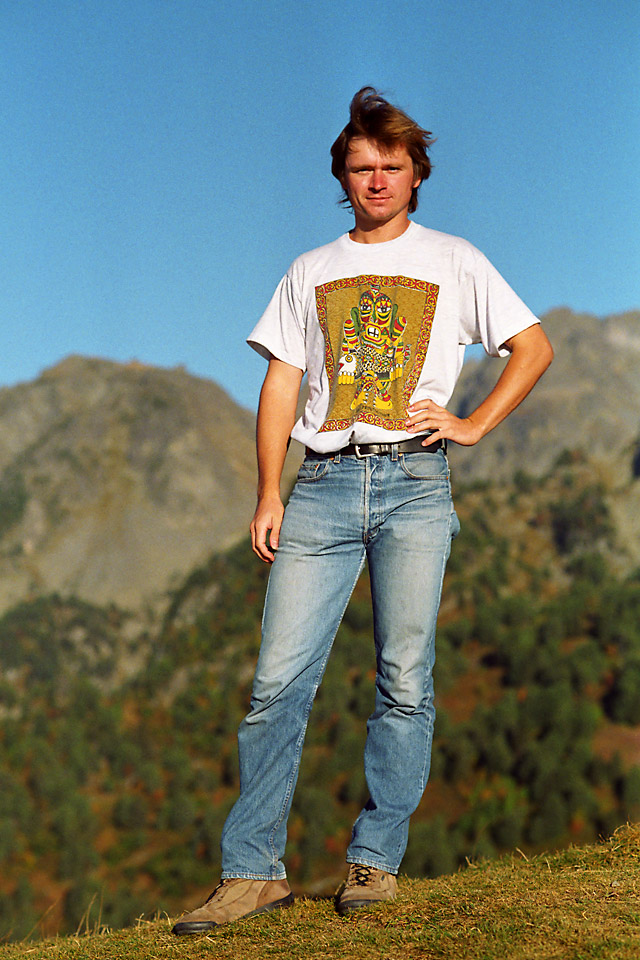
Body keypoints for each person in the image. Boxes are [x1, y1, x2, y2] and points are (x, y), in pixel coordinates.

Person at [172, 87, 553, 935]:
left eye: (391, 166)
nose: (375, 180)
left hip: (417, 482)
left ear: (417, 175)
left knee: (403, 681)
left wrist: (474, 424)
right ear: (341, 179)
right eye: (359, 168)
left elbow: (533, 346)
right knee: (276, 684)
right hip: (322, 486)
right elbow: (279, 384)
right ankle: (250, 874)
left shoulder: (455, 259)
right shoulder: (311, 270)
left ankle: (374, 865)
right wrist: (269, 490)